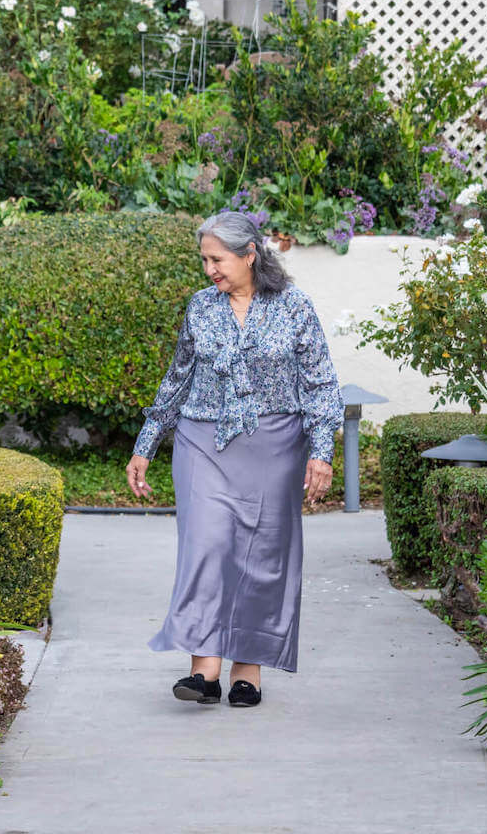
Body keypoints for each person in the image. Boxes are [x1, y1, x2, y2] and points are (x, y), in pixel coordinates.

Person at [125, 210, 342, 708]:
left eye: (217, 259)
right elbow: (177, 378)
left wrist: (322, 453)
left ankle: (249, 670)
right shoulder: (201, 308)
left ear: (250, 255)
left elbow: (319, 383)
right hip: (204, 439)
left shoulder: (294, 306)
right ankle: (204, 669)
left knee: (263, 556)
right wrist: (146, 442)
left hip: (275, 445)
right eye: (204, 260)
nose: (209, 270)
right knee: (207, 544)